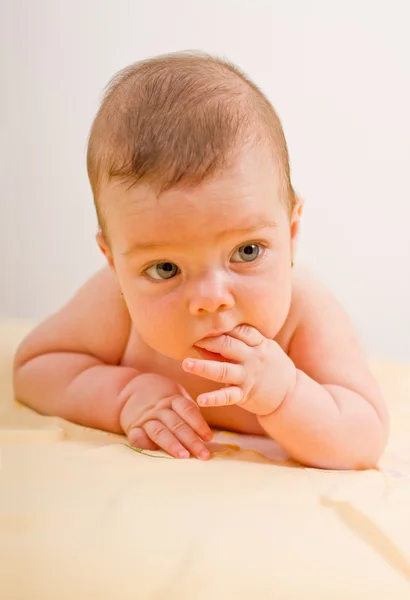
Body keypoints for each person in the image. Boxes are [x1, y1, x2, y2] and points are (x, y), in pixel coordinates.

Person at [13, 52, 388, 469]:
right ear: (115, 264)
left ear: (292, 232)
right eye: (165, 269)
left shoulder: (305, 314)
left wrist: (286, 394)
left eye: (246, 252)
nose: (211, 299)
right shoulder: (116, 303)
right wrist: (126, 395)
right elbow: (35, 367)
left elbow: (365, 436)